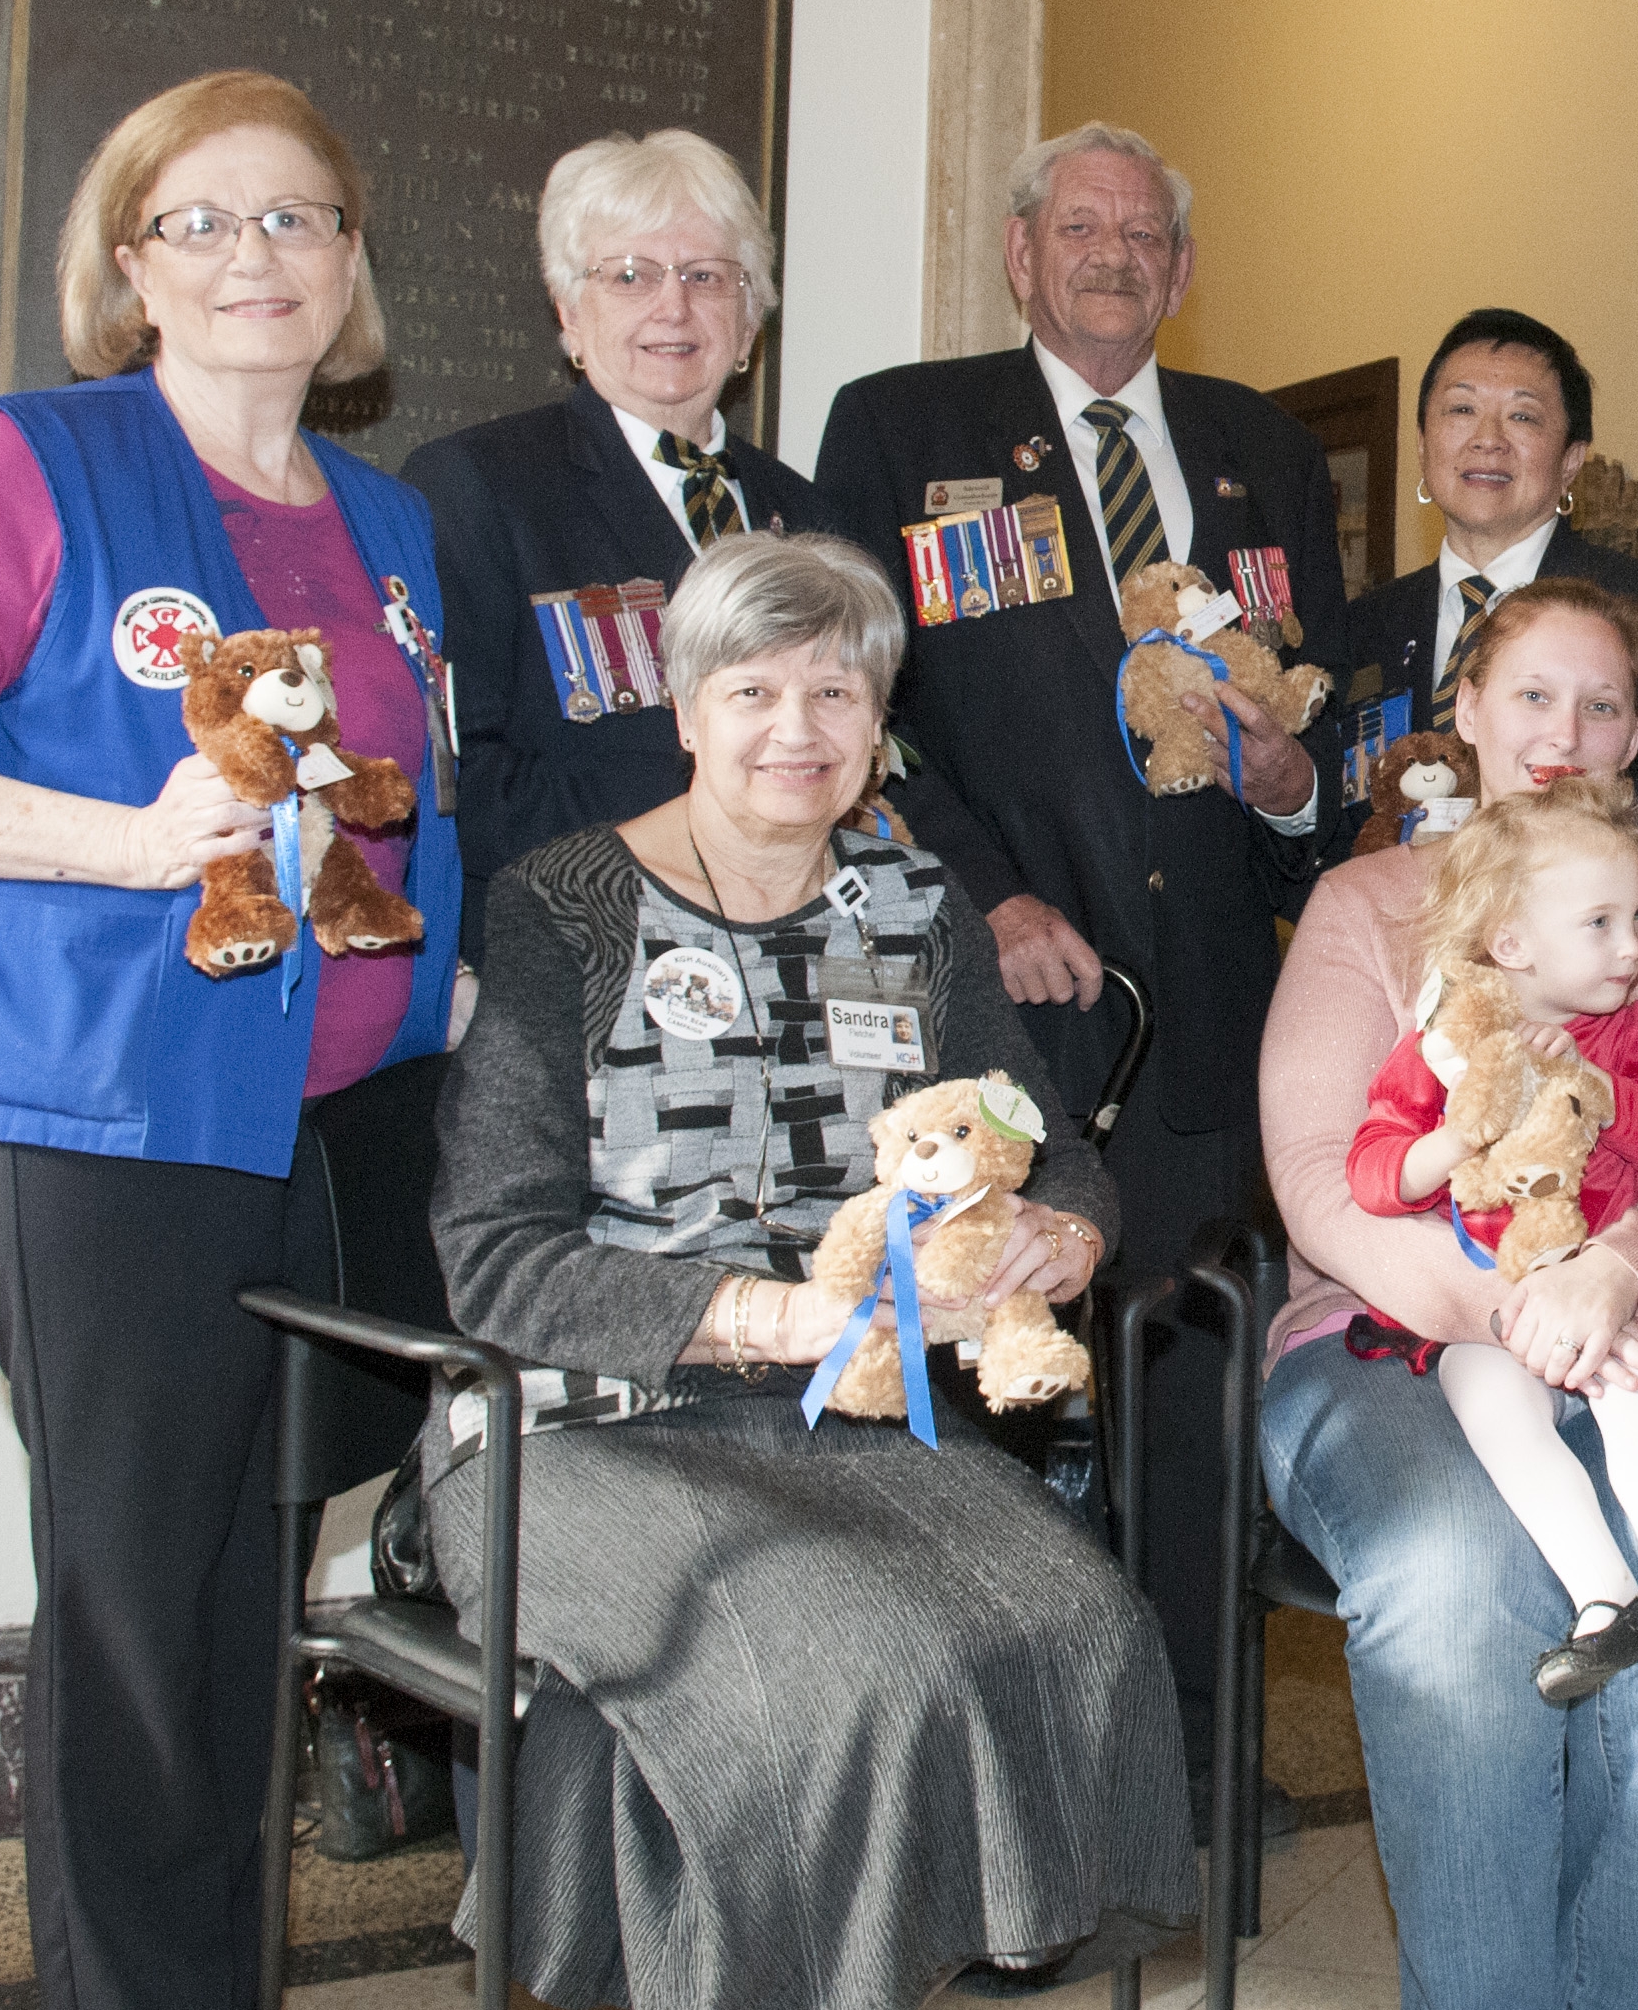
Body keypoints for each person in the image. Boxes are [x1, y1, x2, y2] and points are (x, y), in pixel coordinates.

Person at [427, 533, 1194, 2006]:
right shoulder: (559, 908)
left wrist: (1061, 1231)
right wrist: (773, 1314)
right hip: (583, 1426)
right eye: (753, 690)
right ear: (686, 706)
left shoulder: (914, 913)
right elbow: (495, 1257)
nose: (797, 730)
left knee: (1084, 1625)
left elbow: (1044, 1144)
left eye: (835, 692)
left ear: (878, 719)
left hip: (855, 1413)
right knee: (850, 1674)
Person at [0, 68, 462, 2006]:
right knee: (146, 1615)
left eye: (299, 221)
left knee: (254, 1596)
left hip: (349, 1128)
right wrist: (125, 841)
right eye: (205, 222)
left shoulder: (392, 518)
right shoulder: (35, 461)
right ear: (129, 268)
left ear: (352, 268)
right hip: (118, 1130)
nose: (257, 259)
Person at [815, 118, 1350, 1787]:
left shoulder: (1261, 447)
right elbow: (858, 702)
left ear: (1181, 272)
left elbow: (1305, 726)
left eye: (1143, 236)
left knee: (1188, 1392)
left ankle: (1189, 1751)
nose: (1112, 256)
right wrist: (984, 895)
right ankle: (1007, 1764)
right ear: (1019, 251)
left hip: (1203, 1014)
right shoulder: (899, 431)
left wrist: (1288, 787)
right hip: (996, 1003)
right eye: (1080, 227)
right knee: (995, 1390)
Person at [1260, 580, 1638, 2010]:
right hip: (1393, 1336)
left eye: (1602, 703)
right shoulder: (1361, 903)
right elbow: (1324, 1179)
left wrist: (1621, 1271)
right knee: (1454, 1589)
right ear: (1465, 713)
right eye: (1530, 697)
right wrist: (1507, 1301)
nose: (1565, 732)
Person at [1343, 775, 1638, 1701]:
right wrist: (1456, 1135)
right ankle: (1602, 1601)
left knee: (1634, 1379)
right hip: (1490, 1305)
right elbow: (1372, 1175)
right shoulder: (1446, 1046)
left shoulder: (1630, 1033)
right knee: (1490, 1404)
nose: (1634, 947)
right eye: (1600, 923)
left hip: (1613, 1287)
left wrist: (1597, 1095)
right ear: (1510, 943)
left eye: (1637, 918)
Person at [403, 130, 839, 953]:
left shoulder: (810, 514)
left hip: (793, 960)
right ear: (569, 312)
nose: (671, 308)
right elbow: (462, 783)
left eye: (706, 277)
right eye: (630, 277)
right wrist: (723, 808)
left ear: (750, 319)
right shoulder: (477, 486)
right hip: (579, 953)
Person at [1342, 309, 1638, 864]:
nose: (1488, 440)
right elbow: (1334, 837)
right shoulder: (1365, 623)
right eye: (1461, 409)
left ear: (1572, 460)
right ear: (1424, 446)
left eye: (1522, 417)